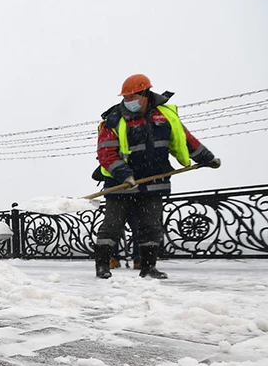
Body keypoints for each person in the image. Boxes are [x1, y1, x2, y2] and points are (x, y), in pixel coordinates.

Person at [93, 74, 221, 280]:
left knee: (151, 227)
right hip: (120, 185)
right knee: (111, 226)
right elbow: (106, 153)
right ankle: (102, 266)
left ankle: (148, 267)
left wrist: (207, 158)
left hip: (153, 182)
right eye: (125, 98)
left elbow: (185, 139)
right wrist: (124, 175)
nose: (128, 101)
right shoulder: (114, 120)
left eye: (132, 97)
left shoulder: (165, 116)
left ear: (145, 94)